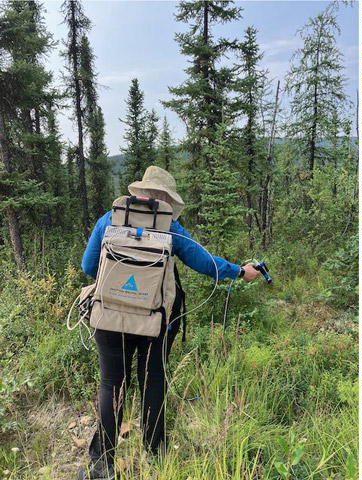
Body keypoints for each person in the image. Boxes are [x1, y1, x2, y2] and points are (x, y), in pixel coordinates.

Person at [77, 166, 260, 480]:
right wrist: (240, 271)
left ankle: (101, 465)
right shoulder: (171, 227)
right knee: (153, 384)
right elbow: (204, 262)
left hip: (108, 318)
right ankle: (156, 458)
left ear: (139, 193)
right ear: (162, 198)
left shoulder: (111, 220)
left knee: (112, 385)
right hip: (156, 322)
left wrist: (124, 286)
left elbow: (89, 265)